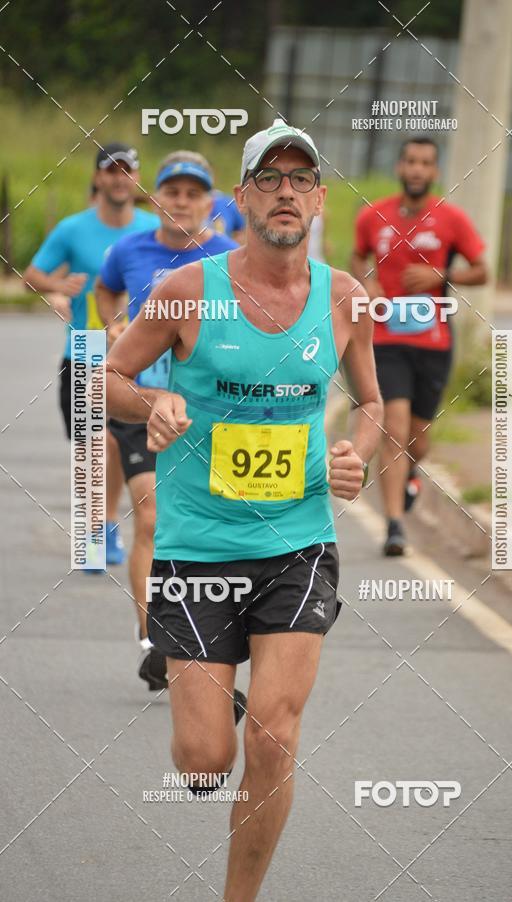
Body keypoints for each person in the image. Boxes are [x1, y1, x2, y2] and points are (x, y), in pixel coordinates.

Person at [105, 118, 382, 899]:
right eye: (269, 178)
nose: (285, 191)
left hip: (298, 542)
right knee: (204, 762)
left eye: (301, 179)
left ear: (319, 199)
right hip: (197, 547)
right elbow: (108, 378)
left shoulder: (346, 298)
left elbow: (371, 401)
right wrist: (154, 401)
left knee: (273, 737)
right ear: (242, 198)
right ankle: (204, 700)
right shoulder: (188, 291)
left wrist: (357, 452)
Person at [96, 151, 237, 690]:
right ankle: (152, 638)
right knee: (151, 515)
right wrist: (115, 325)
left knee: (209, 525)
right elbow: (106, 288)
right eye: (172, 192)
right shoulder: (129, 250)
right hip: (142, 399)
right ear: (155, 198)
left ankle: (204, 634)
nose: (181, 201)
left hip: (207, 411)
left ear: (210, 202)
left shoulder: (231, 258)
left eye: (193, 193)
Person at [23, 142, 160, 566]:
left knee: (116, 443)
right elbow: (32, 275)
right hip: (85, 349)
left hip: (139, 357)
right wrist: (56, 287)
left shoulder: (153, 228)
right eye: (111, 170)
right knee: (94, 445)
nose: (120, 178)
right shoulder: (72, 229)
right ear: (99, 178)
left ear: (137, 178)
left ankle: (106, 522)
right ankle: (98, 529)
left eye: (127, 170)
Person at [351, 135, 487, 556]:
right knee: (392, 429)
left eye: (425, 163)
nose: (416, 169)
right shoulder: (373, 216)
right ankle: (394, 526)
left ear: (435, 171)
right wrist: (367, 281)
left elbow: (482, 271)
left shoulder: (451, 219)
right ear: (400, 167)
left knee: (418, 440)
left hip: (433, 341)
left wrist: (441, 275)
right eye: (410, 161)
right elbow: (357, 257)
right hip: (386, 338)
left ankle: (409, 473)